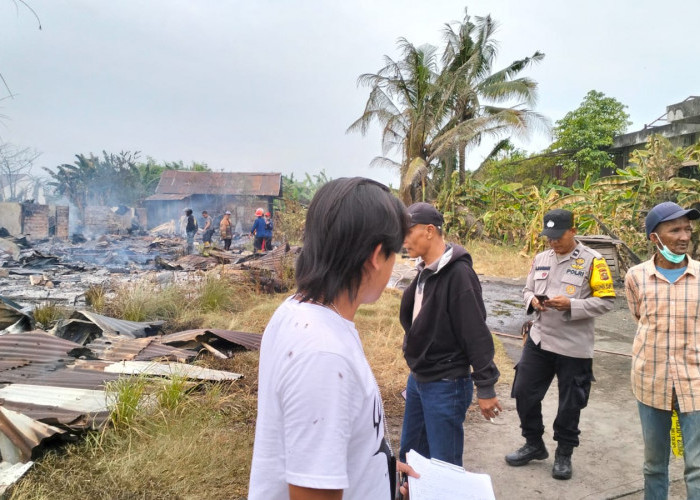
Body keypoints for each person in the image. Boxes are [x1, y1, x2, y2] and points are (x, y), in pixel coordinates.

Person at [249, 177, 418, 500]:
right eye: (395, 253)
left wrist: (378, 470)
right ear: (376, 255)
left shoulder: (298, 310)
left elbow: (317, 443)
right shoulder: (323, 355)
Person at [505, 209, 615, 480]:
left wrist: (573, 305)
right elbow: (527, 289)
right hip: (540, 338)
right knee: (523, 392)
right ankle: (534, 444)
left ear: (573, 231)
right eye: (549, 237)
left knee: (570, 404)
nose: (553, 242)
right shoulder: (541, 258)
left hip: (574, 346)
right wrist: (532, 300)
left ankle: (564, 453)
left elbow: (607, 301)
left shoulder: (593, 260)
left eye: (558, 236)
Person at [399, 202, 502, 467]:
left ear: (430, 231)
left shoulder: (458, 274)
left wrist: (486, 386)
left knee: (443, 465)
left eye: (408, 232)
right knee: (411, 457)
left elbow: (475, 332)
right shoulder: (424, 270)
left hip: (446, 383)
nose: (404, 240)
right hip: (419, 378)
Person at [624, 201, 700, 499]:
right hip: (650, 381)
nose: (684, 237)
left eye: (688, 230)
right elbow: (639, 318)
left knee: (696, 467)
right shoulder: (636, 277)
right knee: (654, 465)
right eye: (675, 230)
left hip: (695, 384)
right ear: (655, 238)